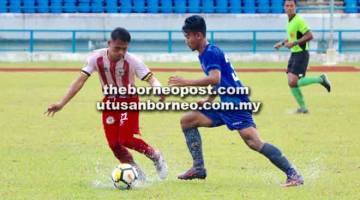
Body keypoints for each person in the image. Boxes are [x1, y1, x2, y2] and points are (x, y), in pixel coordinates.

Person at [168, 15, 303, 187]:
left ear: (199, 35)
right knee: (187, 120)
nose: (186, 41)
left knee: (254, 142)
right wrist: (208, 100)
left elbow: (214, 78)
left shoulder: (210, 53)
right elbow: (220, 81)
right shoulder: (205, 53)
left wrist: (186, 82)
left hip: (235, 102)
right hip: (227, 100)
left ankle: (293, 175)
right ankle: (198, 168)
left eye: (188, 37)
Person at [45, 27, 167, 180]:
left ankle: (155, 155)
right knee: (114, 145)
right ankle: (135, 173)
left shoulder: (133, 61)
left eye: (124, 49)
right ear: (109, 43)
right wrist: (61, 103)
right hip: (109, 103)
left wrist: (158, 89)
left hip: (129, 101)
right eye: (117, 48)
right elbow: (80, 81)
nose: (121, 52)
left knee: (126, 139)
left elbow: (151, 79)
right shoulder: (96, 58)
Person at [274, 0, 331, 114]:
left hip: (301, 53)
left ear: (295, 7)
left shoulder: (298, 20)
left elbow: (310, 36)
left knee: (293, 82)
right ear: (284, 7)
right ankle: (303, 108)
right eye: (287, 5)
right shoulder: (290, 22)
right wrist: (282, 43)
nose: (289, 7)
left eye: (291, 5)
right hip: (294, 54)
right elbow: (292, 37)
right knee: (291, 82)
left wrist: (294, 43)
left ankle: (320, 79)